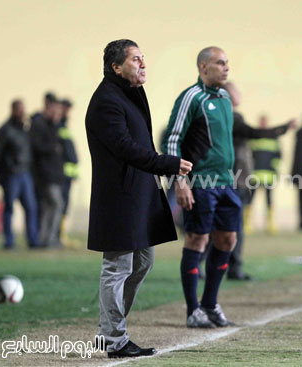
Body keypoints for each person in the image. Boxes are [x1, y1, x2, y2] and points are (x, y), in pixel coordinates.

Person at [85, 39, 192, 358]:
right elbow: (124, 147)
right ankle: (114, 338)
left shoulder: (129, 93)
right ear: (116, 67)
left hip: (139, 192)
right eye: (135, 59)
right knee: (117, 266)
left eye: (143, 58)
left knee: (143, 261)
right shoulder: (107, 100)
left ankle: (108, 331)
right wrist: (166, 163)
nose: (143, 64)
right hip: (119, 196)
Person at [162, 46, 240, 328]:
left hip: (226, 182)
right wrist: (180, 181)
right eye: (220, 63)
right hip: (200, 183)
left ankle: (210, 304)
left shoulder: (225, 99)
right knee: (197, 240)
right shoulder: (191, 97)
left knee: (228, 240)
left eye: (227, 63)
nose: (226, 67)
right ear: (203, 67)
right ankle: (193, 309)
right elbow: (172, 140)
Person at [223, 82, 293, 280]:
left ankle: (227, 266)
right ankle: (232, 268)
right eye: (236, 91)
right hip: (237, 179)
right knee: (231, 226)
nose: (240, 94)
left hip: (241, 178)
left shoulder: (228, 117)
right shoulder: (233, 118)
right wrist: (283, 128)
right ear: (228, 96)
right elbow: (256, 134)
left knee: (225, 226)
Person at [0, 99, 39, 249]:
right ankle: (9, 241)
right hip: (11, 175)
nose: (22, 112)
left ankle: (32, 240)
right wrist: (2, 176)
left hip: (25, 174)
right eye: (19, 109)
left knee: (31, 207)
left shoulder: (24, 130)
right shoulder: (5, 130)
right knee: (9, 208)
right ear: (13, 110)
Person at [30, 99, 65, 248]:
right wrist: (53, 148)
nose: (58, 115)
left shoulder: (53, 126)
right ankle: (49, 239)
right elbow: (37, 147)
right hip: (46, 175)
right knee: (57, 204)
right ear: (49, 109)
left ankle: (45, 239)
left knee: (48, 207)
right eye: (55, 112)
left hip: (53, 175)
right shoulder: (39, 125)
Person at [248, 114, 283, 235]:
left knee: (269, 200)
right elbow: (249, 156)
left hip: (268, 175)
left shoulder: (273, 138)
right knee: (250, 199)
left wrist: (274, 169)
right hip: (254, 175)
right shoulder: (254, 138)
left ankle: (270, 224)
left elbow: (278, 156)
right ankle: (247, 224)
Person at [58, 99, 79, 247]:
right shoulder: (57, 126)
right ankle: (58, 235)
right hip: (61, 174)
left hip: (68, 174)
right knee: (60, 204)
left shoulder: (63, 125)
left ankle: (61, 235)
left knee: (64, 205)